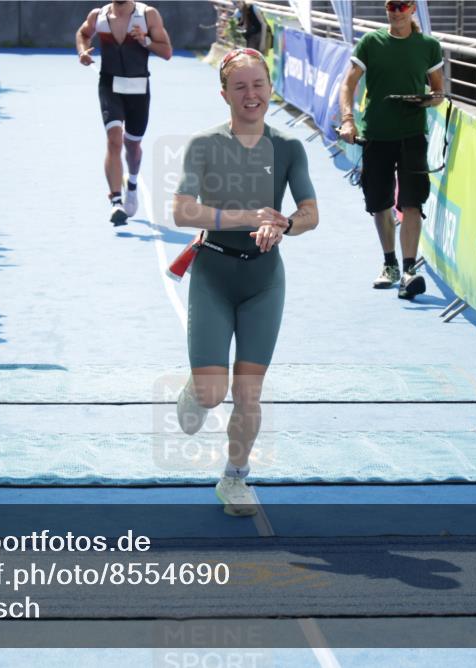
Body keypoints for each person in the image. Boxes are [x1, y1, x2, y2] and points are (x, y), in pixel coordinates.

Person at [172, 48, 318, 516]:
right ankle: (198, 388)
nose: (251, 95)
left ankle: (235, 478)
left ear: (271, 89)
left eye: (258, 86)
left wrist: (285, 225)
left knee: (250, 391)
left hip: (264, 281)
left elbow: (310, 212)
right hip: (213, 273)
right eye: (240, 87)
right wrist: (247, 217)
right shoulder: (204, 145)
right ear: (224, 94)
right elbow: (182, 210)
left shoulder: (290, 148)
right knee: (215, 393)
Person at [337, 0, 444, 300]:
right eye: (390, 5)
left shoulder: (429, 46)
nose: (395, 11)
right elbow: (348, 84)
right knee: (379, 202)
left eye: (401, 6)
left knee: (412, 203)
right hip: (377, 135)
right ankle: (390, 264)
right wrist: (347, 120)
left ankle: (409, 270)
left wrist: (426, 101)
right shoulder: (371, 42)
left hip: (412, 136)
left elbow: (438, 92)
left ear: (412, 9)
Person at [76, 1, 172, 226]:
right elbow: (82, 33)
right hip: (110, 85)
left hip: (139, 87)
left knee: (132, 145)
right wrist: (82, 51)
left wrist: (145, 40)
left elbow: (167, 52)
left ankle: (132, 184)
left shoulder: (148, 15)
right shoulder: (98, 15)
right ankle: (116, 201)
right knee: (114, 140)